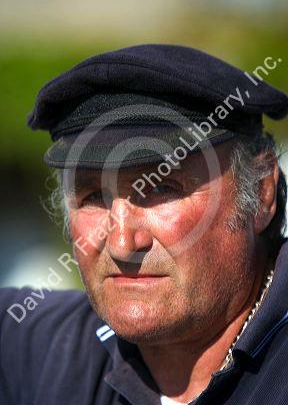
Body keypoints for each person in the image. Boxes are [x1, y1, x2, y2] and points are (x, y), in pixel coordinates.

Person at [1, 44, 288, 405]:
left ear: (261, 193)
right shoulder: (48, 352)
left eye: (161, 188)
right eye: (93, 196)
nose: (122, 243)